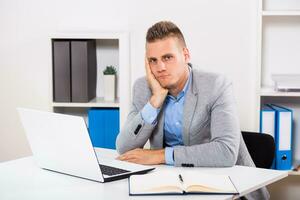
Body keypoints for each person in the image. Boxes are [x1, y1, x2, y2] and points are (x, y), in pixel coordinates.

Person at [116, 21, 269, 200]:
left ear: (186, 55)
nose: (160, 68)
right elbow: (125, 147)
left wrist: (160, 155)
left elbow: (226, 152)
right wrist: (155, 100)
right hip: (170, 185)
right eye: (153, 60)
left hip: (227, 187)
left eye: (167, 57)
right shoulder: (144, 87)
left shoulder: (216, 85)